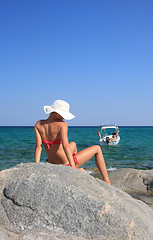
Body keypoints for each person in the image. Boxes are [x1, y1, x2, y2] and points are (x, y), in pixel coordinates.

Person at [34, 100, 111, 185]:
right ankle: (106, 180)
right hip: (65, 164)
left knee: (73, 144)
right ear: (56, 113)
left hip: (52, 163)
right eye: (63, 114)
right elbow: (65, 145)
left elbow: (38, 147)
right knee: (97, 148)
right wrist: (73, 168)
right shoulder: (62, 124)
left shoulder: (38, 124)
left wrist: (36, 165)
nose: (64, 117)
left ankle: (78, 167)